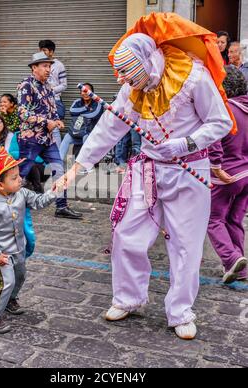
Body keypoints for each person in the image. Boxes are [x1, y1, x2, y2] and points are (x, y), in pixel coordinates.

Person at [54, 13, 234, 340]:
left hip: (188, 171)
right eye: (120, 73)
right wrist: (77, 168)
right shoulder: (132, 89)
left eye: (127, 73)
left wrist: (184, 143)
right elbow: (109, 129)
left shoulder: (192, 76)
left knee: (186, 244)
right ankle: (129, 297)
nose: (121, 80)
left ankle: (180, 312)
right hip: (147, 169)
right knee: (126, 233)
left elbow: (220, 122)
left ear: (146, 64)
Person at [0, 148, 56, 334]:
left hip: (19, 249)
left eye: (18, 175)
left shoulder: (23, 194)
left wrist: (54, 191)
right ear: (0, 186)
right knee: (6, 282)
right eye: (14, 178)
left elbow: (39, 201)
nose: (20, 179)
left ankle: (10, 300)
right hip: (2, 254)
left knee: (20, 277)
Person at [17, 52, 82, 219]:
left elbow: (52, 111)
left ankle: (61, 206)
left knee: (59, 169)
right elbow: (23, 114)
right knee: (21, 173)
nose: (49, 69)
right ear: (34, 68)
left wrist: (57, 121)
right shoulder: (26, 85)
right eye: (45, 66)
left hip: (48, 139)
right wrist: (46, 122)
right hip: (31, 138)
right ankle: (7, 201)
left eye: (50, 66)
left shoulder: (48, 87)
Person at [208, 66, 248, 284]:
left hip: (227, 175)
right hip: (246, 174)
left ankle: (231, 258)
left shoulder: (225, 109)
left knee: (213, 219)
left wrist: (216, 167)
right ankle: (240, 269)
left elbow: (214, 140)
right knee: (234, 220)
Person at [59, 82, 103, 162]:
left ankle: (83, 163)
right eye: (83, 91)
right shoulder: (77, 102)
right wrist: (85, 108)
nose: (85, 93)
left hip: (91, 133)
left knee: (86, 137)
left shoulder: (98, 102)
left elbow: (94, 114)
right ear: (80, 93)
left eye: (87, 91)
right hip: (77, 131)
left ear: (92, 93)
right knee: (67, 137)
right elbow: (72, 111)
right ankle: (58, 163)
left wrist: (79, 114)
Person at [39, 40, 67, 147]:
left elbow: (64, 85)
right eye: (41, 50)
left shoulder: (59, 65)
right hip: (41, 101)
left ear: (51, 52)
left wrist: (50, 91)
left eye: (44, 50)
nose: (42, 53)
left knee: (54, 129)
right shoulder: (39, 65)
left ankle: (58, 157)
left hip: (55, 101)